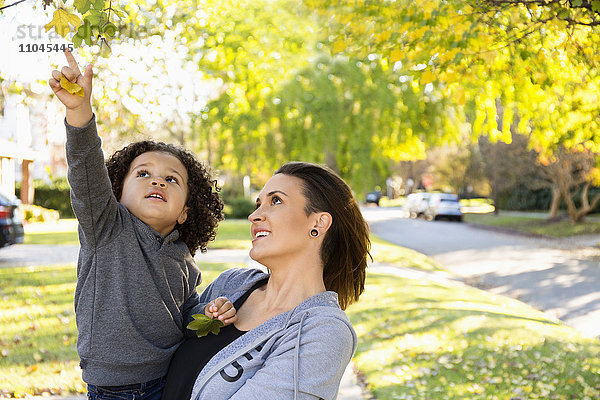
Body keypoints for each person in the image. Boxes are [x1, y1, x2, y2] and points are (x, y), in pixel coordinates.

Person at [48, 50, 237, 400]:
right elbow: (85, 167)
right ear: (117, 192)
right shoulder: (105, 227)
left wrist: (208, 313)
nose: (158, 182)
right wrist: (79, 113)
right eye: (144, 174)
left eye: (172, 179)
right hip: (113, 389)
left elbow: (183, 312)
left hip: (169, 380)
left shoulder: (182, 257)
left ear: (185, 211)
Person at [162, 161, 371, 400]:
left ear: (318, 223)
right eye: (258, 203)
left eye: (276, 201)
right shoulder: (231, 284)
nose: (254, 215)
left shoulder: (325, 331)